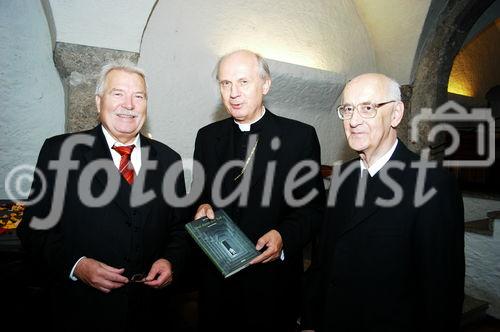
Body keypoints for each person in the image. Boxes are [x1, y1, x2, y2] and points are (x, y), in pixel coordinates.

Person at [17, 60, 188, 330]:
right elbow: (33, 229)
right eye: (118, 93)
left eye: (138, 96)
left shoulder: (169, 159)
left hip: (151, 314)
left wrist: (170, 260)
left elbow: (179, 228)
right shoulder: (61, 152)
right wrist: (77, 265)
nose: (129, 104)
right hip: (81, 313)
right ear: (99, 102)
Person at [301, 73, 465, 331]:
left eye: (368, 108)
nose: (354, 121)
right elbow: (324, 262)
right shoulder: (342, 176)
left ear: (396, 114)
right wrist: (310, 321)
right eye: (348, 109)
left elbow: (441, 291)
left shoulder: (434, 184)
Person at [191, 49, 325, 331]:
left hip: (271, 283)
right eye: (225, 83)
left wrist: (283, 237)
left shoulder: (299, 137)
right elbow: (200, 194)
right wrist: (201, 206)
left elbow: (312, 209)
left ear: (265, 85)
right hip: (217, 281)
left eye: (243, 82)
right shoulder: (207, 137)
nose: (233, 93)